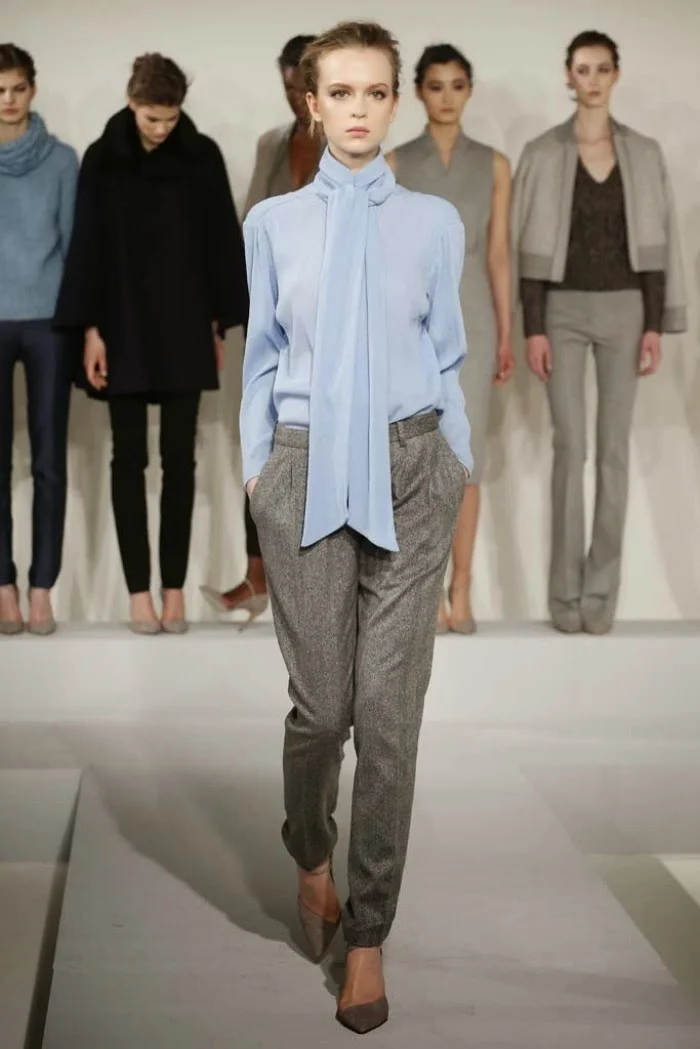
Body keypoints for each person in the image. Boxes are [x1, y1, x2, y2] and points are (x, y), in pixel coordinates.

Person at [240, 21, 471, 1034]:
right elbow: (260, 355)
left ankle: (368, 932)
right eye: (340, 92)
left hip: (413, 467)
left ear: (396, 101)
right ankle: (310, 850)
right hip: (303, 468)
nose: (359, 109)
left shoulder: (433, 222)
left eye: (376, 91)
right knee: (322, 709)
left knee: (388, 716)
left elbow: (449, 352)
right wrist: (258, 472)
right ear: (312, 102)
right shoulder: (271, 223)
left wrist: (456, 460)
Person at [55, 54, 248, 633]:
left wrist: (217, 325)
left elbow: (219, 240)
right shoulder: (103, 157)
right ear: (131, 102)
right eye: (150, 117)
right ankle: (139, 594)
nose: (161, 129)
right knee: (129, 459)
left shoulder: (202, 155)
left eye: (169, 118)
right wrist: (90, 329)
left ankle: (174, 593)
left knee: (181, 462)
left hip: (185, 324)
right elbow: (87, 246)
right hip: (122, 323)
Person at [512, 30, 686, 635]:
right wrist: (533, 327)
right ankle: (563, 597)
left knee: (613, 453)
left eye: (602, 68)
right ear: (569, 76)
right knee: (570, 449)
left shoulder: (643, 152)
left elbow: (660, 239)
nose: (592, 79)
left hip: (625, 310)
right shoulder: (542, 151)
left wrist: (655, 324)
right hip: (560, 311)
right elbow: (525, 244)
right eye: (582, 69)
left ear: (616, 75)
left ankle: (600, 597)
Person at [387, 44, 513, 634]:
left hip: (477, 322)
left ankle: (462, 588)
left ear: (469, 91)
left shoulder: (494, 164)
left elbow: (498, 254)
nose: (446, 96)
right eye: (435, 85)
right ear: (418, 92)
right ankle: (427, 590)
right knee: (419, 459)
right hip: (414, 324)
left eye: (457, 85)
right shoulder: (394, 162)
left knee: (467, 458)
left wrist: (507, 334)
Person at [201, 33, 323, 622]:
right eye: (289, 86)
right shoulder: (272, 144)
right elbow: (249, 226)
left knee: (321, 444)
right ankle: (257, 576)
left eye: (305, 85)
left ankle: (312, 583)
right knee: (262, 439)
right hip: (271, 312)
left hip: (329, 317)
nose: (297, 97)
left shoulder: (351, 142)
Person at [0, 43, 78, 636]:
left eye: (17, 88)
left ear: (33, 89)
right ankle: (3, 588)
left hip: (49, 322)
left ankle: (42, 588)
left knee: (50, 461)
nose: (8, 100)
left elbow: (74, 246)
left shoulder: (62, 160)